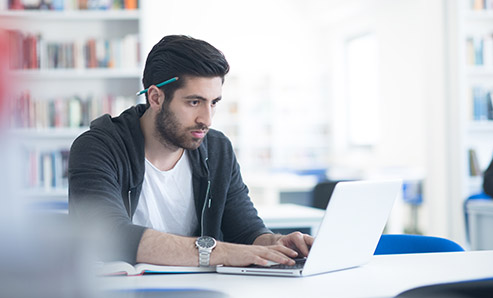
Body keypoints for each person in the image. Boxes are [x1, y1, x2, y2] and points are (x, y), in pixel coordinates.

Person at [69, 35, 314, 267]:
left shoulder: (218, 149)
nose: (206, 119)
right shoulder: (98, 147)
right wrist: (223, 253)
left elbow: (246, 230)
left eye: (214, 103)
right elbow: (110, 235)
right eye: (194, 102)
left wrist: (275, 245)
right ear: (156, 98)